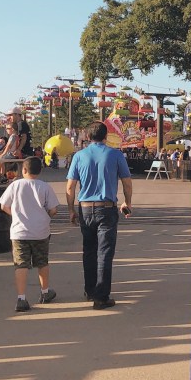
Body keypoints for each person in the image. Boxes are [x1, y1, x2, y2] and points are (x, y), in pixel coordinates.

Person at [65, 121, 133, 309]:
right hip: (107, 208)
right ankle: (101, 296)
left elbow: (70, 187)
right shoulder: (116, 154)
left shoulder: (79, 156)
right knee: (104, 253)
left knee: (89, 250)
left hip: (85, 208)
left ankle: (90, 290)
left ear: (88, 137)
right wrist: (127, 202)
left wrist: (71, 210)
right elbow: (127, 182)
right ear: (106, 136)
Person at [0, 156, 58, 312]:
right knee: (42, 262)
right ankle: (45, 292)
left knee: (21, 264)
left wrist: (15, 215)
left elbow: (4, 206)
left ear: (24, 170)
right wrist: (45, 216)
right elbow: (53, 210)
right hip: (40, 232)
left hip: (19, 232)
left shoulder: (15, 185)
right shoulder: (45, 187)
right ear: (40, 171)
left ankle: (21, 298)